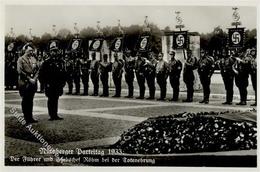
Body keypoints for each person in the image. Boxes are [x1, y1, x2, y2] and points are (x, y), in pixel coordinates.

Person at [39, 43, 66, 120]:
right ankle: (51, 115)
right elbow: (41, 74)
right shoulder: (46, 62)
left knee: (56, 99)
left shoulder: (60, 61)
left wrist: (63, 83)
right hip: (50, 84)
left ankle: (55, 114)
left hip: (58, 84)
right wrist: (44, 83)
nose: (54, 53)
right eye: (53, 51)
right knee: (51, 99)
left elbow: (63, 73)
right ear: (50, 52)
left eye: (55, 51)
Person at [17, 43, 39, 124]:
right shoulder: (20, 59)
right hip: (25, 82)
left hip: (33, 82)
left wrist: (35, 78)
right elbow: (20, 71)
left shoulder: (33, 59)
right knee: (25, 100)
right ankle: (26, 118)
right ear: (25, 50)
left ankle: (30, 117)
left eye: (32, 51)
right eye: (29, 50)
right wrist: (29, 79)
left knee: (31, 100)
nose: (31, 52)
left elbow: (37, 70)